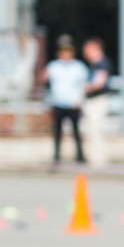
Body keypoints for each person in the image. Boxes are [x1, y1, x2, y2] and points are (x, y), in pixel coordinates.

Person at [44, 35, 92, 166]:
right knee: (58, 132)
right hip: (58, 102)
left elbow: (84, 86)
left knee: (76, 131)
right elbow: (45, 80)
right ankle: (57, 156)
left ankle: (80, 155)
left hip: (73, 103)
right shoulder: (53, 66)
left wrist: (80, 100)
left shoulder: (78, 67)